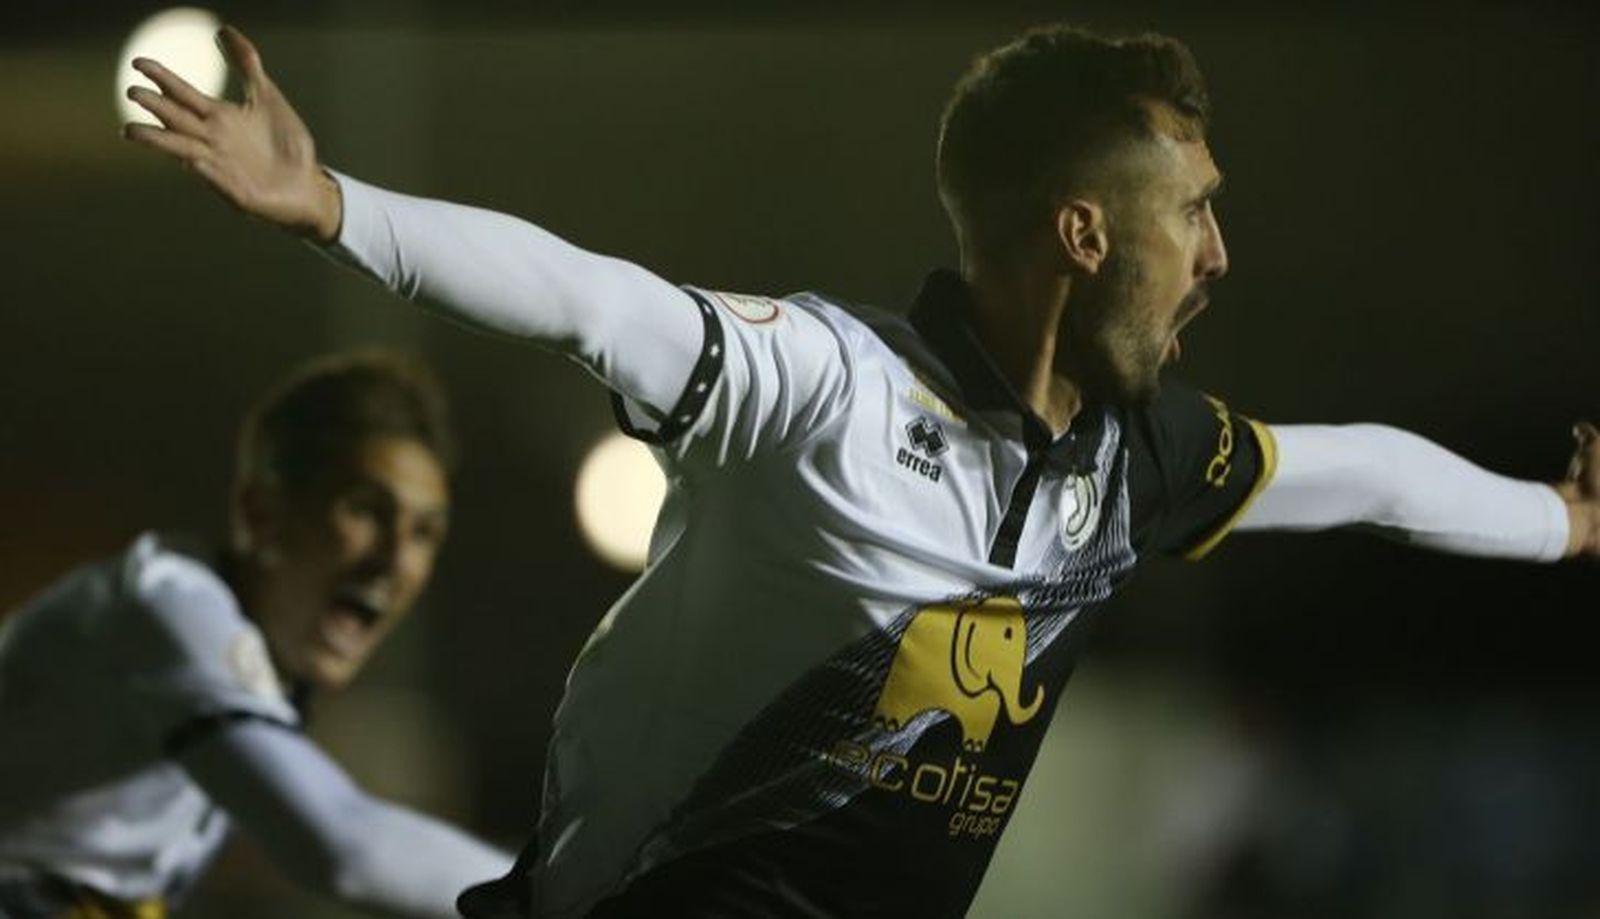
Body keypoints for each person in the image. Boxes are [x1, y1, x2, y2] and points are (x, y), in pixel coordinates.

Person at [122, 23, 1597, 919]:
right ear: (1084, 235)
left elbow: (1372, 476)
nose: (1220, 255)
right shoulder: (827, 383)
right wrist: (331, 202)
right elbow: (590, 297)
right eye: (1193, 214)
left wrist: (1561, 521)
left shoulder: (1137, 457)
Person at [0, 352, 512, 919]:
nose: (395, 560)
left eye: (424, 532)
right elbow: (345, 848)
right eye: (366, 509)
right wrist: (568, 896)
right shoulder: (166, 603)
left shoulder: (254, 671)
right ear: (260, 511)